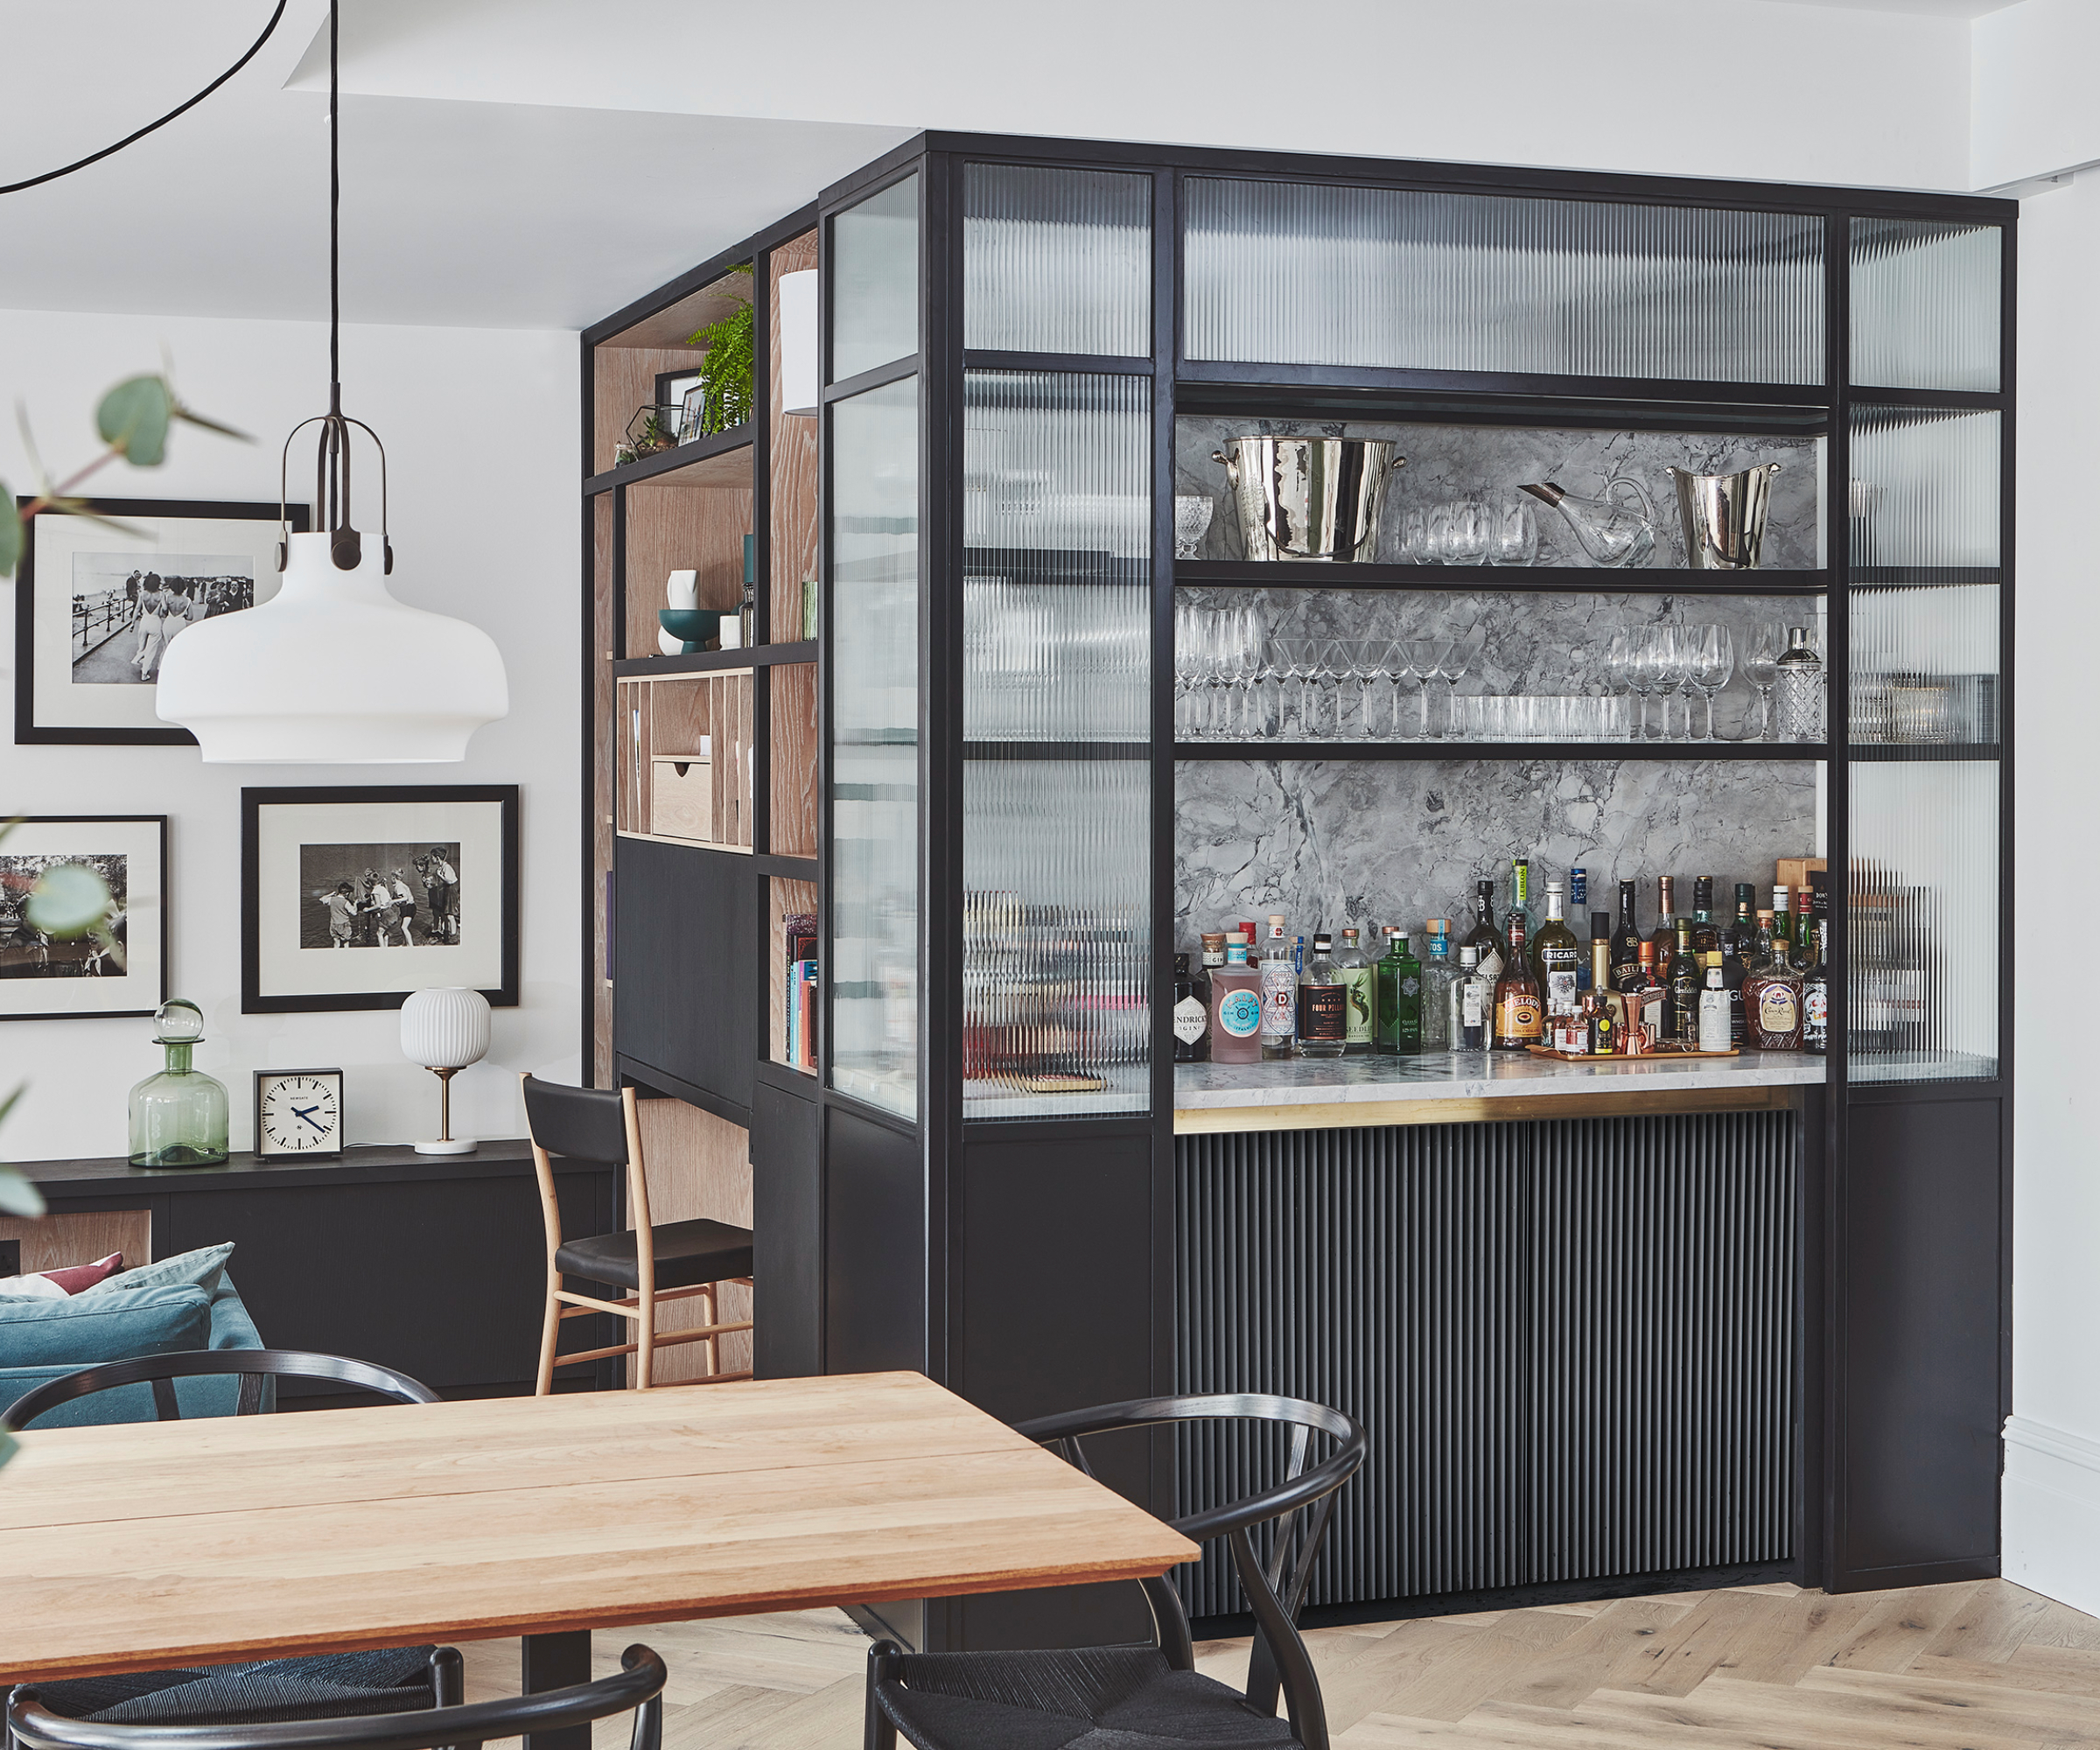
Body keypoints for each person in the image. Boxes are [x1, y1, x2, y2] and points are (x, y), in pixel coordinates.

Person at [422, 847, 459, 943]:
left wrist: (440, 876)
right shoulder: (440, 867)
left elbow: (450, 881)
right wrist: (427, 880)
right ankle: (446, 934)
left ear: (437, 857)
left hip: (451, 891)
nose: (431, 859)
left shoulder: (446, 867)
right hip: (446, 891)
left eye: (432, 857)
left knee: (450, 916)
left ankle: (453, 937)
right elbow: (434, 877)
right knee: (445, 914)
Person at [132, 574, 166, 679]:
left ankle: (138, 658)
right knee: (151, 649)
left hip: (144, 621)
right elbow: (164, 609)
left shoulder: (143, 594)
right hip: (155, 621)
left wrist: (132, 623)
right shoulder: (161, 594)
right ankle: (144, 673)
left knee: (142, 646)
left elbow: (137, 609)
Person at [313, 881, 359, 947]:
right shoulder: (346, 902)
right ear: (347, 893)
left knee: (336, 943)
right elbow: (354, 913)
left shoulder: (331, 900)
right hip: (344, 925)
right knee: (346, 943)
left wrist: (331, 894)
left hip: (333, 924)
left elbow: (321, 899)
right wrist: (355, 904)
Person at [389, 869, 419, 946]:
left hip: (409, 907)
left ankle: (411, 946)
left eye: (391, 877)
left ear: (394, 878)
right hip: (405, 907)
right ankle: (404, 944)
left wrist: (393, 901)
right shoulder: (398, 886)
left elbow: (405, 898)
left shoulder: (400, 887)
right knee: (402, 927)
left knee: (404, 927)